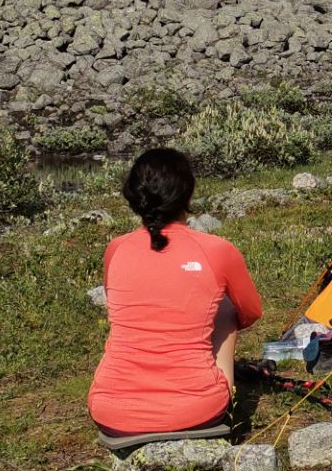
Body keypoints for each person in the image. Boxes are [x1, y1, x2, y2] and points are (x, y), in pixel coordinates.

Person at [88, 148, 263, 440]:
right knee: (227, 309)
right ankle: (217, 391)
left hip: (111, 412)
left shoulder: (116, 249)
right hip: (197, 411)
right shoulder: (217, 250)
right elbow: (251, 312)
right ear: (187, 192)